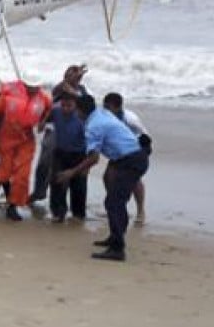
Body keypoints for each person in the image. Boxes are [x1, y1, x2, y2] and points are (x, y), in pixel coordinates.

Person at [56, 94, 148, 261]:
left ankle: (118, 249)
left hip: (131, 160)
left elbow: (94, 158)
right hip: (128, 156)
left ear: (80, 111)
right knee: (115, 200)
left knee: (114, 203)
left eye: (76, 110)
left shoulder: (93, 126)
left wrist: (72, 172)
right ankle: (115, 237)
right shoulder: (100, 113)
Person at [0, 73, 52, 221]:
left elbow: (49, 111)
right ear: (24, 84)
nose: (33, 89)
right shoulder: (7, 97)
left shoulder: (44, 99)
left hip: (26, 139)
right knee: (5, 172)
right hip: (6, 137)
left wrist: (43, 122)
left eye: (36, 86)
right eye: (30, 86)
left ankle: (13, 206)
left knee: (22, 175)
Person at [104, 93, 151, 225]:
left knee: (134, 180)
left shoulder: (130, 119)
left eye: (108, 107)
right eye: (104, 107)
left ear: (118, 107)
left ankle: (140, 211)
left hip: (137, 148)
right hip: (119, 150)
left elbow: (145, 137)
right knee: (108, 177)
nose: (105, 110)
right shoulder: (106, 118)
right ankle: (117, 206)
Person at [45, 93, 88, 223]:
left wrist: (87, 165)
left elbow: (90, 141)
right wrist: (42, 123)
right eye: (63, 105)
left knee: (78, 185)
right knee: (57, 182)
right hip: (60, 152)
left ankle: (78, 214)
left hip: (79, 154)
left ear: (75, 106)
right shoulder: (56, 111)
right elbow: (45, 115)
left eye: (69, 106)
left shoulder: (82, 118)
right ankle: (58, 213)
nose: (65, 108)